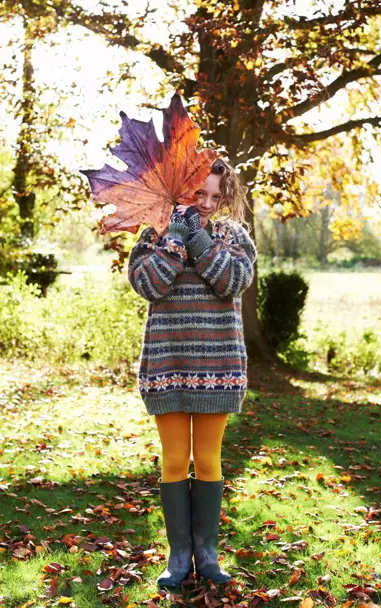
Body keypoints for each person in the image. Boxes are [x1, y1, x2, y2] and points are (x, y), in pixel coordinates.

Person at [127, 155, 257, 589]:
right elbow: (148, 284)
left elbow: (234, 280)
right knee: (175, 459)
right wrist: (174, 240)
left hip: (218, 366)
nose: (206, 202)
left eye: (216, 196)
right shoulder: (154, 233)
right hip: (167, 364)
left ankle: (207, 553)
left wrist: (199, 241)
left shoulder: (234, 236)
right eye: (199, 192)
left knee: (207, 459)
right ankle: (179, 556)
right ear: (183, 188)